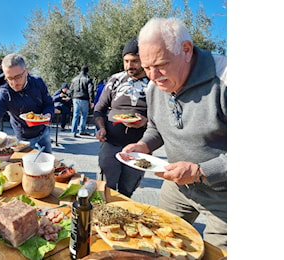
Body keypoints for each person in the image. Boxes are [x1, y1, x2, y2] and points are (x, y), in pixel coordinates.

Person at [122, 17, 227, 249]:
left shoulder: (226, 79)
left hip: (225, 195)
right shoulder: (154, 86)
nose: (153, 75)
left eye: (160, 65)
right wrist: (143, 146)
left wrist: (201, 171)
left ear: (186, 50)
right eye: (147, 67)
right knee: (157, 242)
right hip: (178, 185)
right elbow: (156, 127)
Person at [93, 36, 149, 197]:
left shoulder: (155, 83)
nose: (129, 66)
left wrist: (145, 122)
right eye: (126, 61)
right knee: (105, 189)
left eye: (134, 61)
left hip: (139, 148)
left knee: (127, 191)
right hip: (111, 143)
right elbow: (99, 109)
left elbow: (162, 117)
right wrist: (101, 128)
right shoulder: (115, 80)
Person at [0, 53, 54, 153]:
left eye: (18, 77)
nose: (14, 83)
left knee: (49, 159)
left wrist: (48, 114)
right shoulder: (4, 93)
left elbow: (49, 103)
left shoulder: (38, 83)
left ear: (26, 72)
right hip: (24, 137)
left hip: (43, 131)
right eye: (10, 78)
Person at [70, 65, 95, 137]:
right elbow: (90, 90)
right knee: (84, 115)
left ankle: (73, 131)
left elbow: (71, 89)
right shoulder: (88, 79)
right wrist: (91, 101)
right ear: (87, 71)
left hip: (75, 98)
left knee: (75, 115)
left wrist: (72, 98)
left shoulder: (74, 79)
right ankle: (82, 130)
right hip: (84, 98)